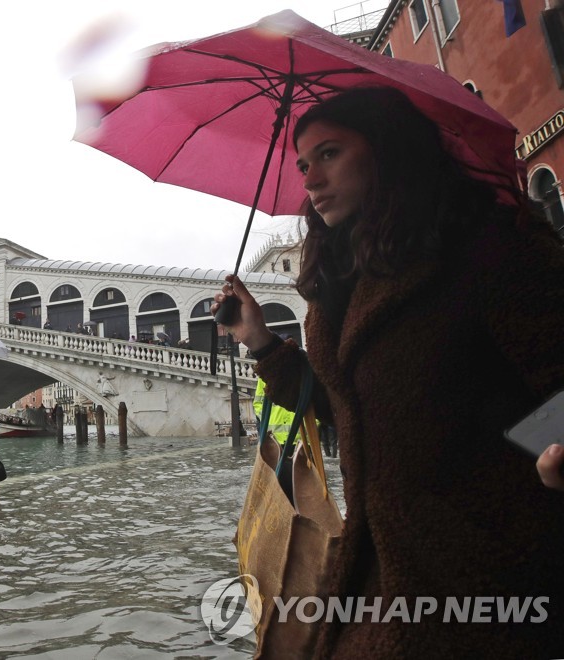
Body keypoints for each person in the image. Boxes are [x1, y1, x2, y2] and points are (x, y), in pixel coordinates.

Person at [214, 87, 564, 657]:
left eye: (329, 154)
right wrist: (258, 340)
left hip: (492, 573)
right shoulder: (337, 288)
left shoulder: (490, 248)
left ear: (388, 151)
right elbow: (350, 408)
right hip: (379, 571)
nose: (310, 179)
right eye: (304, 164)